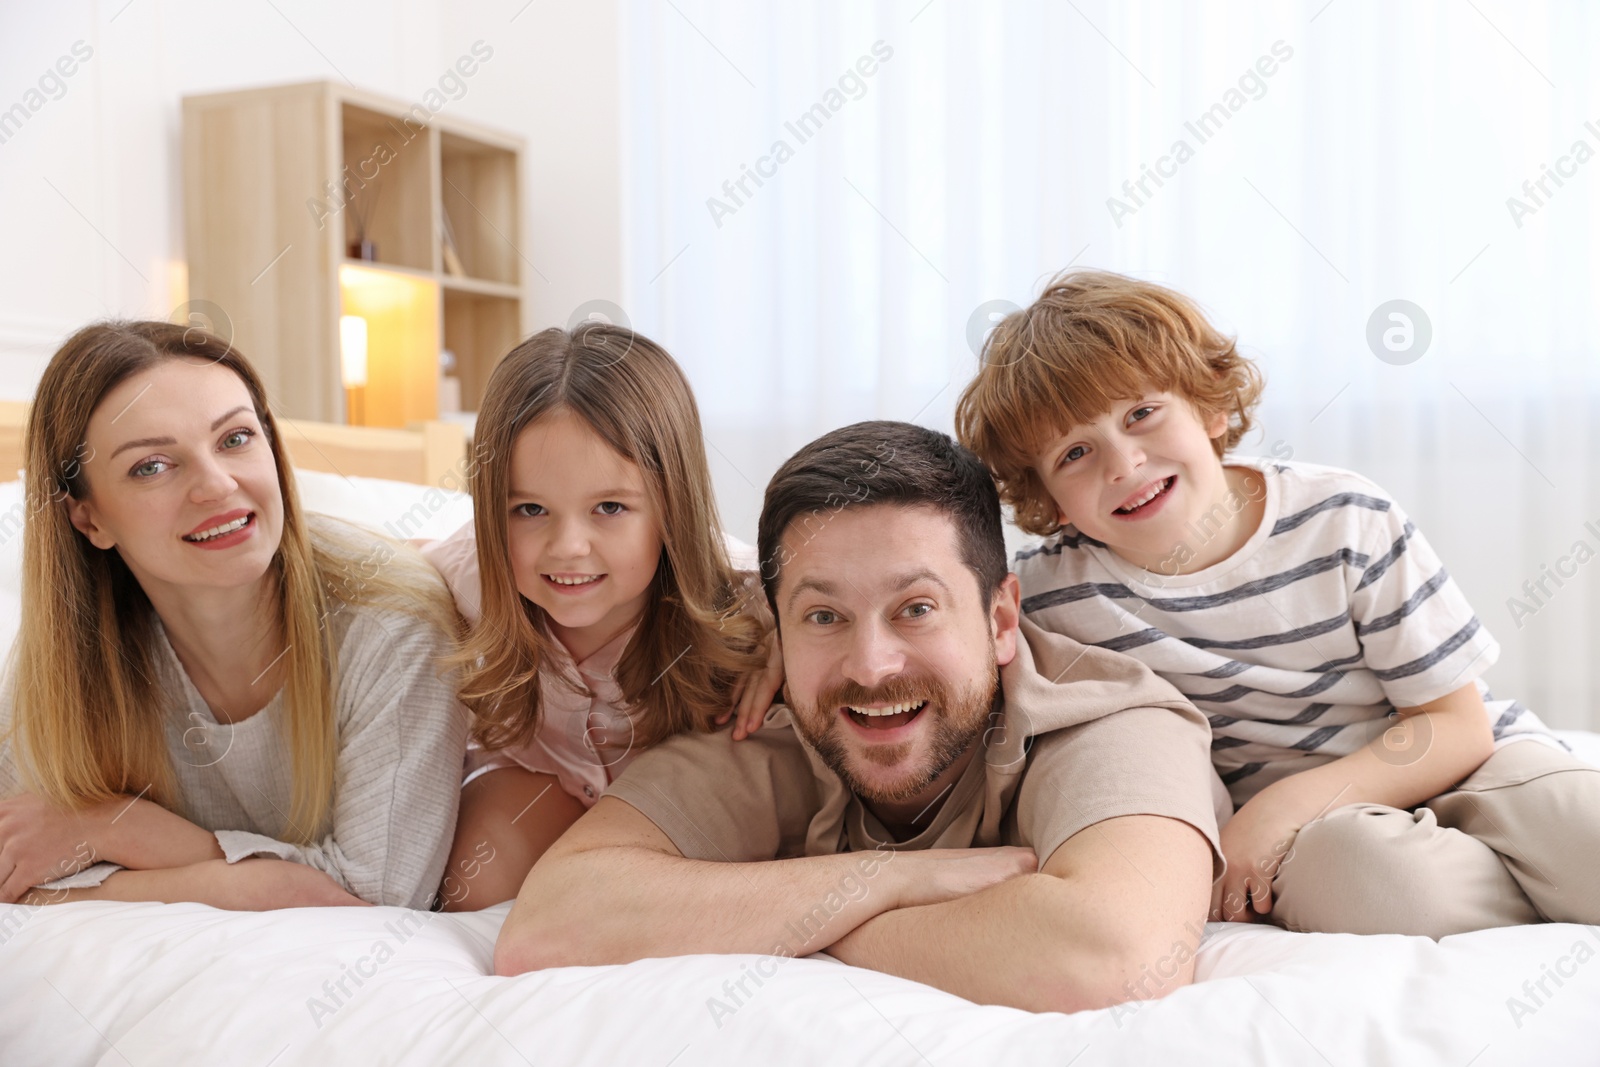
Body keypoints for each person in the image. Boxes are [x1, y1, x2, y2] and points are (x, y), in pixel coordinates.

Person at [495, 420, 1222, 1014]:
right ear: (777, 634)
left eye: (915, 609)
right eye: (823, 615)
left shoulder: (1113, 717)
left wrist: (809, 926)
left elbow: (1112, 959)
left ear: (1001, 617)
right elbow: (549, 922)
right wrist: (882, 879)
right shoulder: (773, 723)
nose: (871, 665)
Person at [955, 268, 1600, 937]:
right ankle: (1536, 895)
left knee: (1578, 824)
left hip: (1458, 762)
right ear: (1050, 501)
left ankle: (1549, 869)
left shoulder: (1342, 517)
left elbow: (1457, 725)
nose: (1122, 465)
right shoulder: (1054, 602)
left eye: (1141, 414)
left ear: (1210, 408)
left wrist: (1278, 807)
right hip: (1328, 838)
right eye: (1075, 453)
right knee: (1379, 887)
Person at [0, 321, 468, 910]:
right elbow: (22, 864)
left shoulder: (390, 623)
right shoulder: (66, 669)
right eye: (151, 466)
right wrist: (247, 878)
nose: (217, 486)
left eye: (235, 439)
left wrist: (118, 830)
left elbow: (380, 895)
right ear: (89, 519)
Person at [422, 323, 774, 910]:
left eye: (609, 508)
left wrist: (792, 630)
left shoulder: (745, 600)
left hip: (667, 792)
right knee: (474, 895)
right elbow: (381, 575)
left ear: (671, 506)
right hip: (538, 778)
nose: (567, 547)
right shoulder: (460, 576)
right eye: (530, 509)